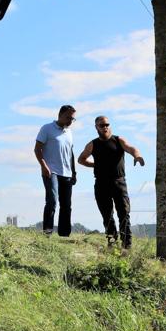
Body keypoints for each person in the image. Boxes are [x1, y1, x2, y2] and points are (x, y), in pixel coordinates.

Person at [78, 115, 144, 249]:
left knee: (124, 214)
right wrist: (95, 165)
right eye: (102, 125)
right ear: (96, 127)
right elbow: (81, 159)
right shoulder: (92, 144)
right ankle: (112, 244)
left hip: (119, 183)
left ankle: (127, 246)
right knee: (107, 216)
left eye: (107, 124)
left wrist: (137, 156)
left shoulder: (118, 140)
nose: (105, 127)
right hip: (101, 184)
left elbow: (132, 148)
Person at [34, 105, 77, 237]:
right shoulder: (47, 128)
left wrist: (74, 173)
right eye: (68, 117)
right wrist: (44, 166)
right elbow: (37, 149)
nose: (70, 121)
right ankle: (47, 232)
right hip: (51, 171)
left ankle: (64, 234)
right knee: (52, 201)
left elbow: (71, 154)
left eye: (73, 119)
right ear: (60, 115)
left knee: (66, 204)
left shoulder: (69, 132)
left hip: (67, 173)